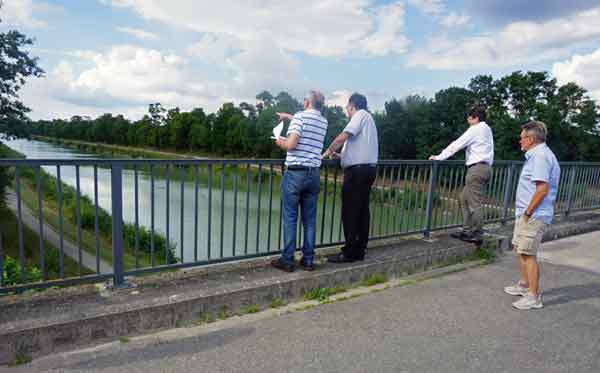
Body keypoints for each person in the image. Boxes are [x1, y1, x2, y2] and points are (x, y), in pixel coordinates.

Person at [505, 120, 560, 310]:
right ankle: (524, 285)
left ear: (531, 138)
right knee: (521, 249)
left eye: (522, 138)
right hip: (527, 213)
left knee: (528, 254)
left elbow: (542, 189)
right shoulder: (537, 155)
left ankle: (533, 296)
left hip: (534, 214)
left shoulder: (540, 157)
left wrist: (528, 212)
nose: (519, 141)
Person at [271, 90, 328, 272]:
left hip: (295, 174)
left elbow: (292, 144)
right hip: (313, 175)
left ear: (306, 103)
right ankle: (308, 259)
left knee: (290, 217)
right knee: (309, 219)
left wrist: (280, 142)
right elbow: (305, 125)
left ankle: (288, 260)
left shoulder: (300, 118)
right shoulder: (323, 121)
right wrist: (289, 117)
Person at [322, 93, 378, 263]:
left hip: (357, 172)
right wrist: (340, 156)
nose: (346, 110)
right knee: (361, 211)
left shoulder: (359, 115)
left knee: (350, 212)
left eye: (347, 107)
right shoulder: (369, 120)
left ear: (352, 106)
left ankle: (349, 253)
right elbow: (358, 149)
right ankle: (360, 249)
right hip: (368, 169)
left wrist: (328, 151)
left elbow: (343, 136)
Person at [429, 106, 494, 244]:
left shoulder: (476, 129)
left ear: (475, 118)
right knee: (463, 198)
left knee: (475, 204)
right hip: (485, 168)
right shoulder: (487, 129)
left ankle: (477, 234)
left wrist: (439, 157)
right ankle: (466, 230)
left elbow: (457, 144)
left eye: (469, 117)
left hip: (476, 169)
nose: (467, 120)